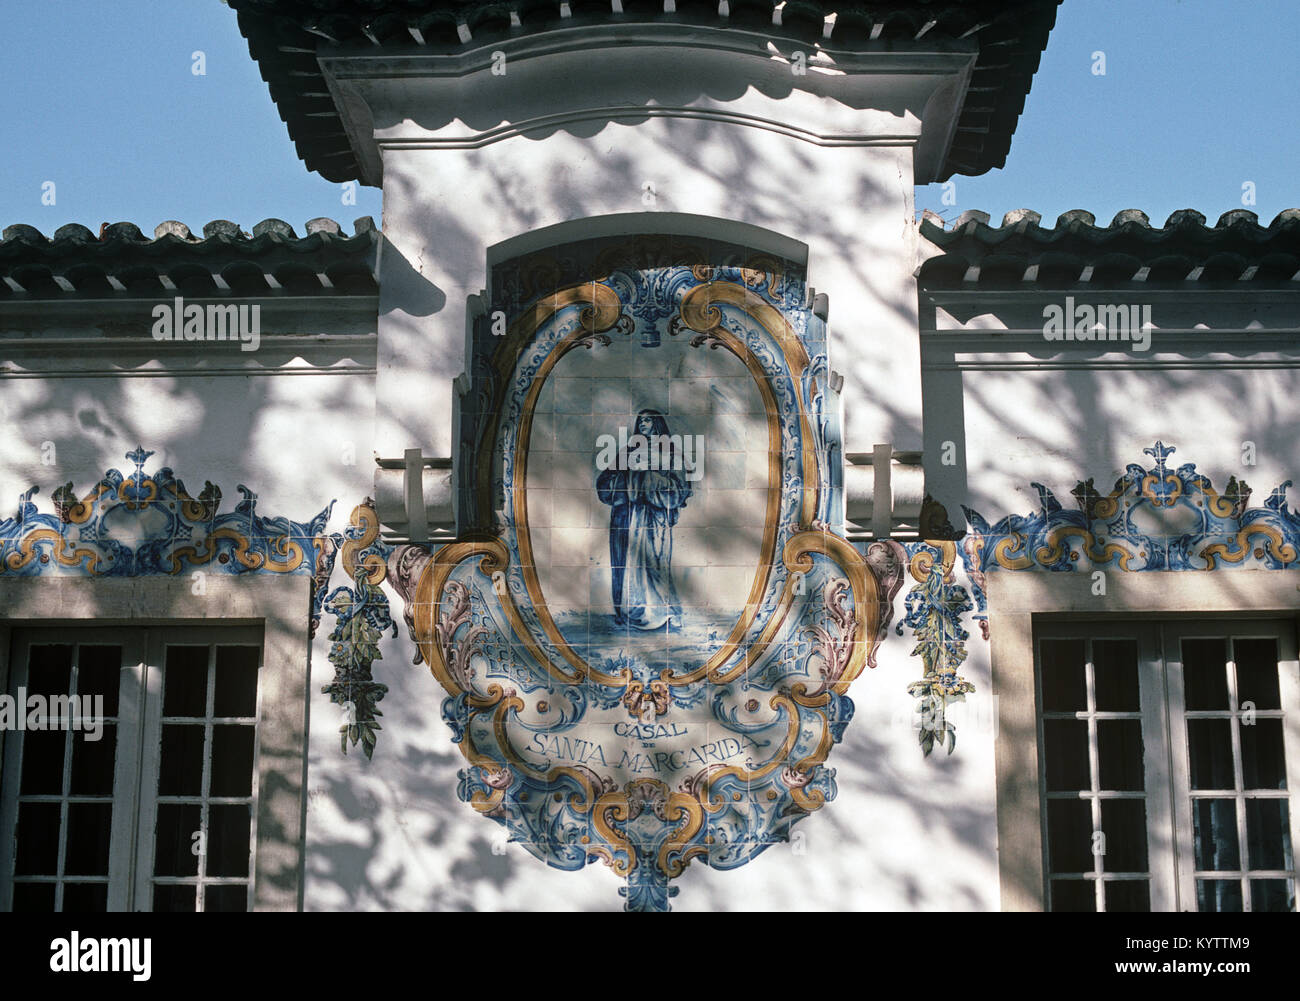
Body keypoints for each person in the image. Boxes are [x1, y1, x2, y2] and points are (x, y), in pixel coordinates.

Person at [595, 409, 691, 630]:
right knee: (631, 563)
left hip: (656, 516)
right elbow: (606, 481)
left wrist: (648, 478)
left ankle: (661, 611)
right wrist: (630, 479)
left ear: (657, 423)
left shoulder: (670, 452)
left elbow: (680, 487)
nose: (643, 424)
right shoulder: (628, 451)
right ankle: (633, 610)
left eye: (648, 420)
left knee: (655, 563)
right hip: (631, 516)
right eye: (641, 420)